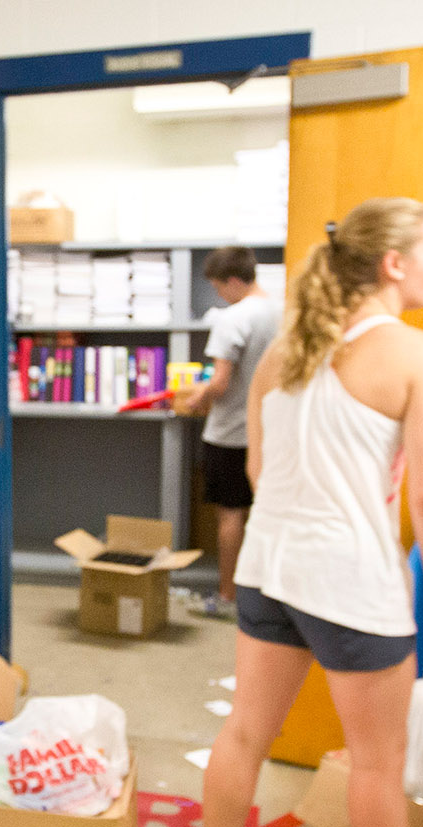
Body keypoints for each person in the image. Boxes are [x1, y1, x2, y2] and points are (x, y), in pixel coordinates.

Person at [198, 198, 423, 827]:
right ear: (395, 263)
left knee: (244, 734)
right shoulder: (420, 357)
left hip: (269, 570)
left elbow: (259, 469)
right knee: (378, 765)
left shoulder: (286, 354)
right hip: (352, 583)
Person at [179, 247, 282, 619]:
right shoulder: (285, 311)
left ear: (234, 281)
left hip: (232, 433)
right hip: (274, 433)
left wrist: (196, 398)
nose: (219, 295)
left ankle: (227, 595)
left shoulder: (233, 318)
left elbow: (220, 382)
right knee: (270, 513)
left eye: (219, 287)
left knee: (230, 515)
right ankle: (269, 593)